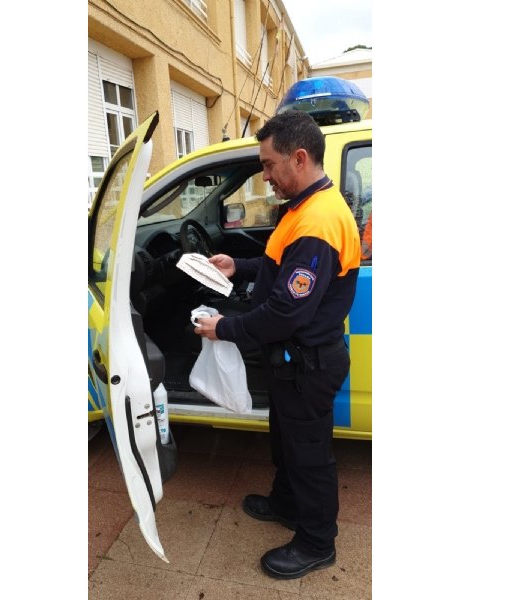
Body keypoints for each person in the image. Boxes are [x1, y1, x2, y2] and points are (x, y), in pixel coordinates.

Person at [194, 110, 361, 580]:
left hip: (308, 363)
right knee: (287, 443)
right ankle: (287, 503)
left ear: (299, 158)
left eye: (269, 165)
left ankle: (316, 543)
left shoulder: (319, 222)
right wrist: (239, 267)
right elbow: (279, 266)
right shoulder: (305, 208)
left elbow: (287, 311)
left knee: (309, 456)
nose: (265, 176)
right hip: (293, 361)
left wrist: (224, 328)